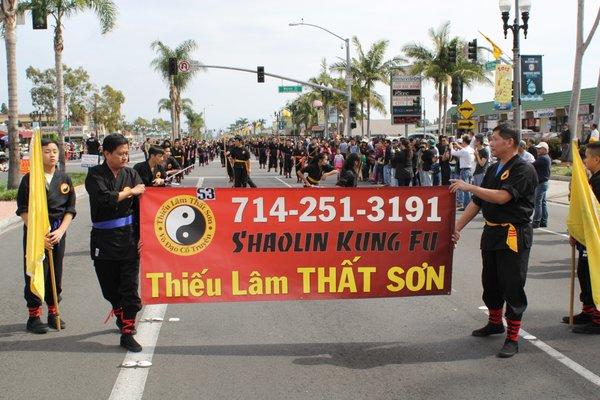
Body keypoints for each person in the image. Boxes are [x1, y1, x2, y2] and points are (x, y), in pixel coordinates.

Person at [450, 124, 538, 358]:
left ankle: (513, 337)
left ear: (509, 142)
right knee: (490, 282)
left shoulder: (523, 169)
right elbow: (477, 203)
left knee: (512, 284)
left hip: (513, 234)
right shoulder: (493, 169)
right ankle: (495, 322)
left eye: (495, 139)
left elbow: (502, 197)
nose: (491, 142)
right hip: (492, 233)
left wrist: (470, 186)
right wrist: (456, 227)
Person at [85, 134, 145, 352]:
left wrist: (143, 236)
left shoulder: (132, 174)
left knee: (130, 287)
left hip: (129, 237)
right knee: (110, 288)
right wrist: (129, 192)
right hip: (103, 239)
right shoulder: (94, 175)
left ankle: (128, 331)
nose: (124, 157)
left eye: (126, 153)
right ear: (106, 153)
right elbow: (104, 198)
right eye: (120, 153)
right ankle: (118, 310)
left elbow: (142, 207)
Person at [16, 138, 76, 333]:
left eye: (55, 151)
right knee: (34, 271)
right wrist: (37, 235)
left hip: (57, 234)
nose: (52, 155)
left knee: (55, 273)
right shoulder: (30, 179)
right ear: (38, 154)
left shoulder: (64, 179)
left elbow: (70, 209)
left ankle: (53, 311)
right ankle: (34, 316)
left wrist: (60, 232)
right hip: (36, 234)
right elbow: (23, 209)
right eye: (47, 151)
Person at [567, 141, 600, 333]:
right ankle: (587, 310)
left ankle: (597, 318)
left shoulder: (598, 182)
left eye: (586, 156)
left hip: (595, 238)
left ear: (596, 159)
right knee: (583, 273)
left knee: (592, 275)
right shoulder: (592, 178)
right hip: (587, 238)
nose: (584, 160)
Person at [451, 135, 476, 210]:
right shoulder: (471, 149)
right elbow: (463, 150)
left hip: (464, 170)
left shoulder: (464, 150)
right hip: (470, 169)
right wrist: (458, 145)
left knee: (465, 189)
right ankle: (467, 205)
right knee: (468, 189)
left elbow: (453, 153)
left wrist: (451, 146)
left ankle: (467, 206)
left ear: (464, 142)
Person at [531, 142, 551, 228]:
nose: (537, 150)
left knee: (538, 203)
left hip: (541, 183)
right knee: (542, 203)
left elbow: (531, 165)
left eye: (539, 148)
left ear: (544, 149)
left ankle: (536, 222)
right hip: (543, 183)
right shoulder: (545, 157)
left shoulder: (543, 158)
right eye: (537, 148)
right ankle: (543, 221)